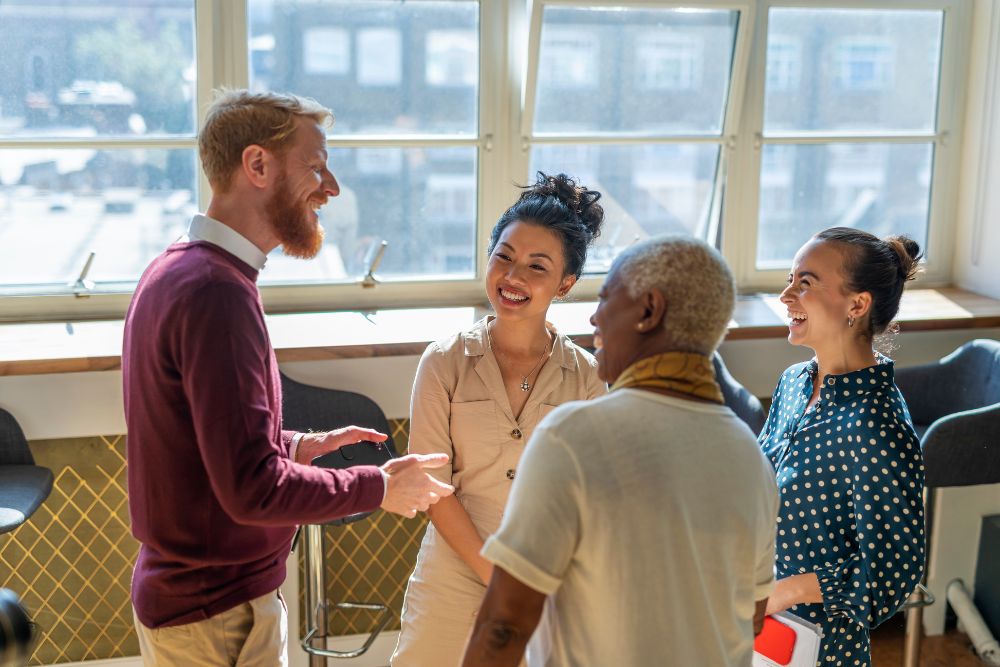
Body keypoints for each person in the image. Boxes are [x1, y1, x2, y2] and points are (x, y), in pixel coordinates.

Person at [122, 89, 454, 666]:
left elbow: (203, 444)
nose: (332, 188)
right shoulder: (215, 293)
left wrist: (294, 446)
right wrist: (380, 486)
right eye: (316, 166)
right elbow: (251, 489)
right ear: (257, 165)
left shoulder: (180, 267)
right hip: (216, 615)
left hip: (199, 603)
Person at [462, 236, 779, 667]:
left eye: (607, 297)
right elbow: (753, 616)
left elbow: (505, 624)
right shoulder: (751, 457)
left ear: (648, 311)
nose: (594, 316)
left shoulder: (573, 437)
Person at [390, 173, 608, 666]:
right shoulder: (443, 361)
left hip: (548, 575)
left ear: (565, 284)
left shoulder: (588, 379)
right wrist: (497, 574)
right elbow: (431, 486)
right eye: (504, 257)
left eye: (537, 266)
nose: (514, 277)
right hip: (452, 565)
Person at [757, 227, 926, 666]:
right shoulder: (793, 383)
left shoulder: (876, 424)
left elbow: (893, 571)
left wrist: (790, 590)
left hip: (819, 646)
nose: (786, 295)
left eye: (805, 283)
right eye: (791, 279)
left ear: (857, 304)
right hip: (760, 626)